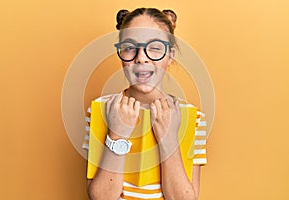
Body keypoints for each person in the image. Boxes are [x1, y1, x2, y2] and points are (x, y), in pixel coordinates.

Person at [84, 8, 207, 200]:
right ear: (120, 53)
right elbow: (100, 198)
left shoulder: (193, 118)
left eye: (155, 48)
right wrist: (117, 133)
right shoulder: (101, 110)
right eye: (130, 47)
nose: (141, 57)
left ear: (170, 55)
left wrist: (169, 138)